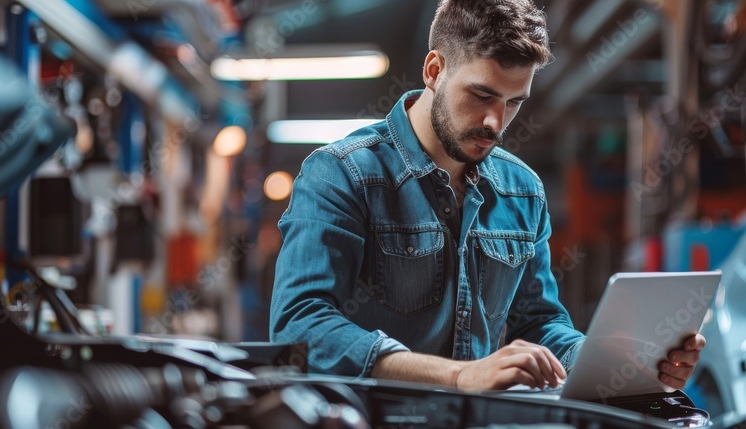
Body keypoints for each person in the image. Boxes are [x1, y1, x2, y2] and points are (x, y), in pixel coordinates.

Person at [271, 0, 705, 391]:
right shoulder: (341, 174)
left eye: (514, 102)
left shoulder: (524, 192)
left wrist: (615, 361)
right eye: (481, 95)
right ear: (434, 71)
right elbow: (300, 326)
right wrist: (458, 376)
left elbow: (539, 322)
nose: (496, 123)